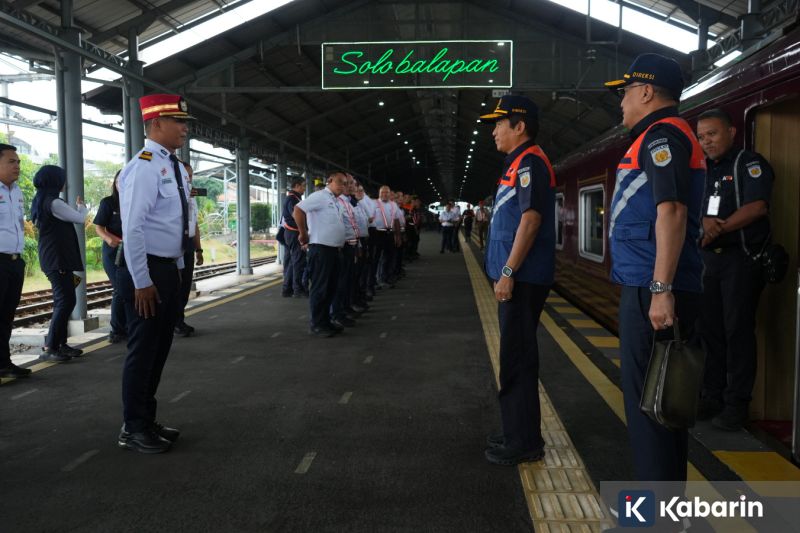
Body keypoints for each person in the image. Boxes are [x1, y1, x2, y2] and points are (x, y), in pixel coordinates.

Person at [604, 53, 705, 481]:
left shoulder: (662, 137)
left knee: (649, 410)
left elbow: (673, 212)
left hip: (654, 288)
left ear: (646, 92)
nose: (622, 103)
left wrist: (661, 289)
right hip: (653, 284)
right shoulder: (662, 135)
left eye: (625, 93)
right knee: (662, 406)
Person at [479, 94, 556, 466]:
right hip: (519, 278)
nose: (494, 131)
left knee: (517, 360)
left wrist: (507, 272)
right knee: (514, 356)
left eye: (498, 124)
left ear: (519, 126)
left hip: (522, 280)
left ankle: (523, 442)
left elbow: (531, 220)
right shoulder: (518, 164)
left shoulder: (530, 164)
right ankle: (517, 431)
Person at [116, 93, 194, 454]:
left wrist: (177, 271)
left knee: (159, 349)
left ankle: (146, 419)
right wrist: (143, 281)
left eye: (185, 122)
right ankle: (133, 427)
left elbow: (174, 224)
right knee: (143, 350)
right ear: (155, 124)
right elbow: (133, 228)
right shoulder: (145, 164)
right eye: (177, 121)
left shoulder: (173, 165)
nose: (184, 128)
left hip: (166, 268)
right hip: (146, 269)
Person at [695, 108, 774, 431]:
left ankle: (736, 404)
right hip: (710, 262)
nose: (706, 142)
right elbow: (697, 212)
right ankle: (711, 396)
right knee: (709, 331)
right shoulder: (702, 171)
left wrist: (718, 228)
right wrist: (704, 225)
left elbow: (757, 207)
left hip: (740, 260)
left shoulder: (750, 164)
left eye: (712, 134)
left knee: (737, 331)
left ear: (731, 132)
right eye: (701, 137)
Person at [31, 165, 86, 362]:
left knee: (65, 300)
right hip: (58, 258)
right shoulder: (53, 203)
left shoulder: (41, 200)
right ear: (54, 181)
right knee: (65, 301)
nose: (65, 182)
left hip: (55, 258)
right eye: (62, 178)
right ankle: (51, 346)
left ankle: (61, 344)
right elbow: (79, 218)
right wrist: (82, 206)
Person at [293, 171, 347, 337]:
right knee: (320, 288)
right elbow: (298, 209)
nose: (343, 186)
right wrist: (303, 232)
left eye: (345, 183)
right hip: (321, 249)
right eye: (340, 182)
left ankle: (325, 321)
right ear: (330, 181)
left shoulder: (336, 201)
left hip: (334, 250)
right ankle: (316, 324)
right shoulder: (320, 196)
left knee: (331, 287)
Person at [0, 143, 31, 378]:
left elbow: (19, 224)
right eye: (12, 161)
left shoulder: (17, 191)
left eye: (18, 162)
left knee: (7, 314)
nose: (17, 166)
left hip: (14, 262)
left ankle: (3, 363)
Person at [93, 171, 127, 344]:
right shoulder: (108, 202)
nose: (122, 184)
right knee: (119, 288)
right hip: (113, 250)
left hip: (132, 250)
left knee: (131, 288)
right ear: (115, 183)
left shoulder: (135, 201)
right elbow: (98, 226)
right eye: (119, 181)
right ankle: (117, 331)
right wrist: (108, 238)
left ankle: (128, 327)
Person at [174, 161, 204, 337]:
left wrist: (199, 250)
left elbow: (195, 225)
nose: (189, 179)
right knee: (174, 287)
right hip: (173, 248)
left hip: (188, 247)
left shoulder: (191, 196)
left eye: (191, 176)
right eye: (187, 176)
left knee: (185, 286)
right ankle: (174, 322)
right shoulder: (172, 195)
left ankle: (179, 320)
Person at [330, 173, 359, 328]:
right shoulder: (338, 201)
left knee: (347, 280)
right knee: (340, 282)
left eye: (351, 183)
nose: (350, 186)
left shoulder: (347, 201)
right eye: (347, 183)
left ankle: (344, 309)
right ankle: (337, 313)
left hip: (351, 245)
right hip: (343, 246)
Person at [280, 176, 308, 298]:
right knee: (298, 261)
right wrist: (304, 231)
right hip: (294, 233)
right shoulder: (292, 199)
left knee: (292, 261)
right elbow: (296, 215)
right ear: (296, 186)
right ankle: (298, 289)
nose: (304, 188)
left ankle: (288, 289)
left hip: (291, 233)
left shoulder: (294, 198)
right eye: (303, 185)